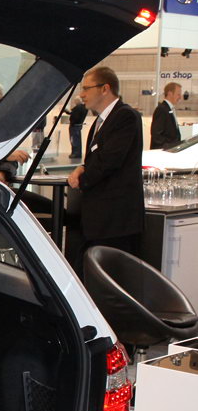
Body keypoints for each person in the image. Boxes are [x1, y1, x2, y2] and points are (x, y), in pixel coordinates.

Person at [67, 66, 144, 273]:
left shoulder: (125, 116)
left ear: (105, 89)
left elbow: (109, 160)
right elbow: (96, 157)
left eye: (86, 88)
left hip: (116, 222)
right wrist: (82, 168)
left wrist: (82, 180)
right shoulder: (99, 122)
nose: (82, 94)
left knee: (111, 279)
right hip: (99, 220)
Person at [150, 82, 182, 150]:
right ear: (170, 94)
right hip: (163, 152)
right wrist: (169, 146)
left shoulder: (169, 109)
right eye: (178, 94)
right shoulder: (161, 109)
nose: (180, 97)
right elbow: (156, 134)